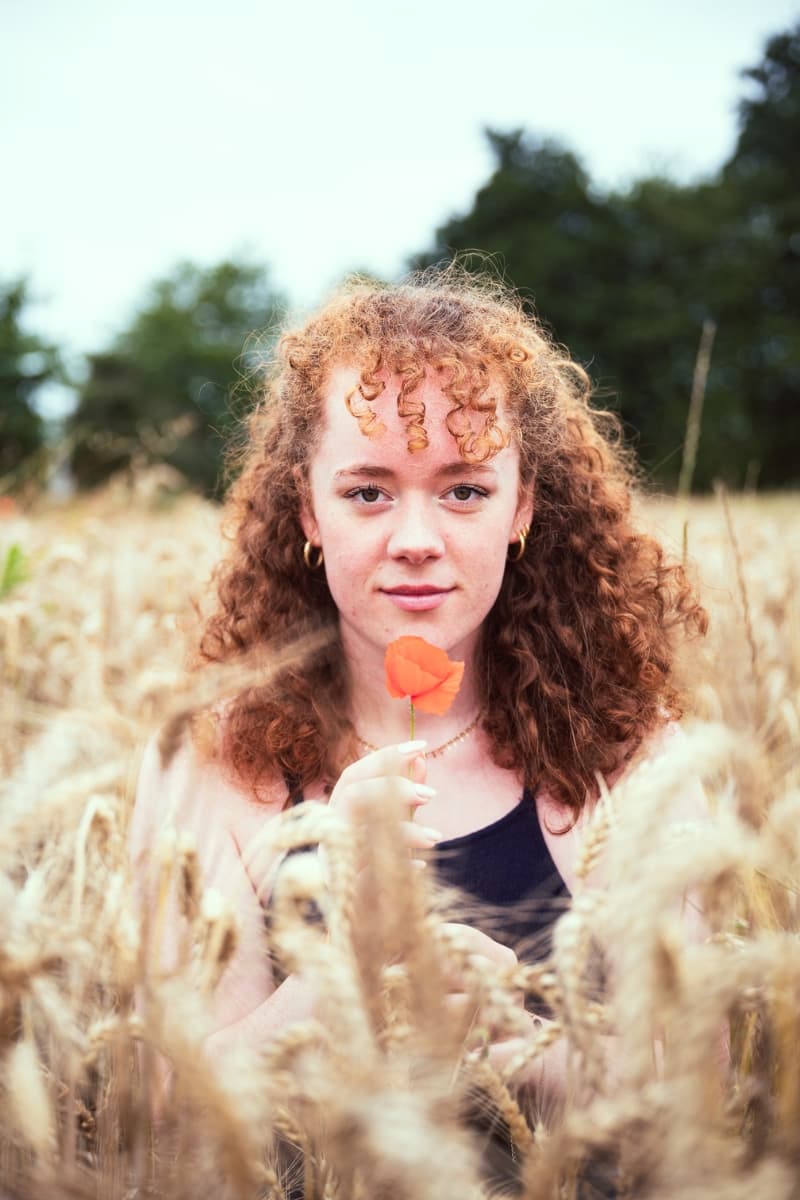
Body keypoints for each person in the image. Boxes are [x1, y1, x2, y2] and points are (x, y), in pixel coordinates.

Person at [130, 265, 706, 1102]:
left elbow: (704, 1098)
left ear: (522, 510)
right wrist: (343, 977)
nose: (415, 539)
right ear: (306, 513)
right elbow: (159, 1118)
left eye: (465, 490)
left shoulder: (633, 758)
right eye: (367, 492)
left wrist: (514, 1043)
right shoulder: (213, 761)